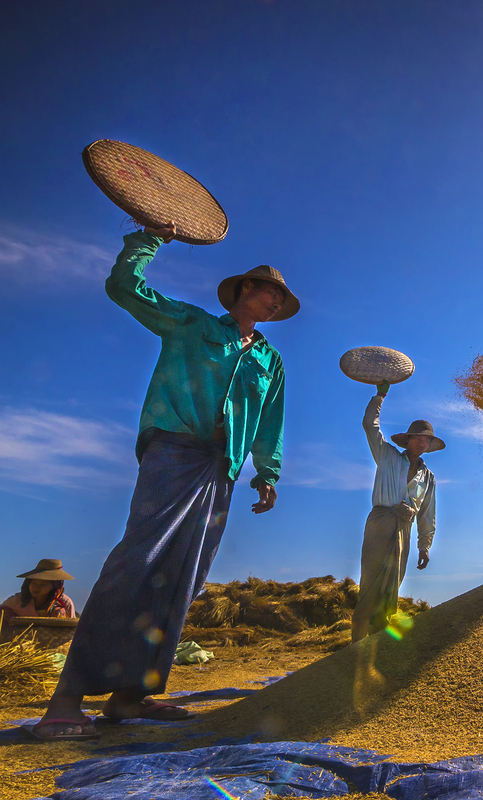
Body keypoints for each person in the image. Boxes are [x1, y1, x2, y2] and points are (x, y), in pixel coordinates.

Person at [34, 221, 297, 740]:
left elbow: (270, 421)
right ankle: (65, 699)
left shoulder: (270, 360)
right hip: (174, 452)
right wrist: (147, 240)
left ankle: (130, 696)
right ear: (246, 289)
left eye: (281, 299)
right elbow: (124, 289)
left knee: (184, 576)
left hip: (221, 469)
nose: (275, 302)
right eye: (270, 291)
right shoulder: (191, 323)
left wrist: (268, 472)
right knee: (140, 560)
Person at [354, 381, 440, 642]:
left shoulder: (428, 477)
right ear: (409, 439)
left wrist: (424, 546)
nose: (423, 443)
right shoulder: (387, 455)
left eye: (427, 440)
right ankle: (355, 647)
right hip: (380, 523)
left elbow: (427, 513)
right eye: (419, 438)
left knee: (391, 588)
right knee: (370, 584)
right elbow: (370, 425)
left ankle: (375, 646)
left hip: (404, 529)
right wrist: (380, 396)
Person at [0, 559, 76, 621]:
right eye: (33, 583)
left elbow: (73, 625)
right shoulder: (18, 599)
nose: (36, 588)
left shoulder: (65, 601)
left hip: (52, 637)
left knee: (60, 613)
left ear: (53, 587)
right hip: (20, 635)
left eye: (43, 585)